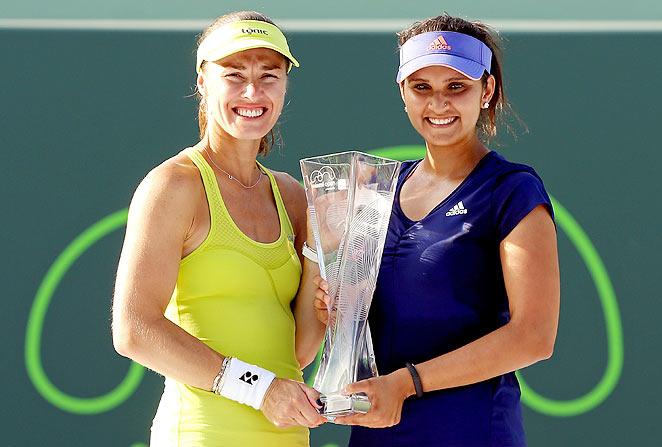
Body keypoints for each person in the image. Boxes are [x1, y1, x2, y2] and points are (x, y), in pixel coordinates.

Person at [311, 13, 560, 447]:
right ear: (403, 93)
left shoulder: (511, 190)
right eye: (422, 88)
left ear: (487, 91)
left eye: (456, 88)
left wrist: (406, 384)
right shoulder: (378, 190)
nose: (438, 104)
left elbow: (533, 337)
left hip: (471, 432)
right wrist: (336, 311)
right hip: (375, 432)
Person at [111, 11, 326, 446]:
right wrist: (261, 389)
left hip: (287, 436)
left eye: (269, 75)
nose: (253, 91)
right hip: (200, 434)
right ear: (203, 83)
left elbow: (297, 351)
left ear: (285, 86)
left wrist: (331, 300)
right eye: (234, 74)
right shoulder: (174, 185)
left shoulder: (292, 195)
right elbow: (134, 330)